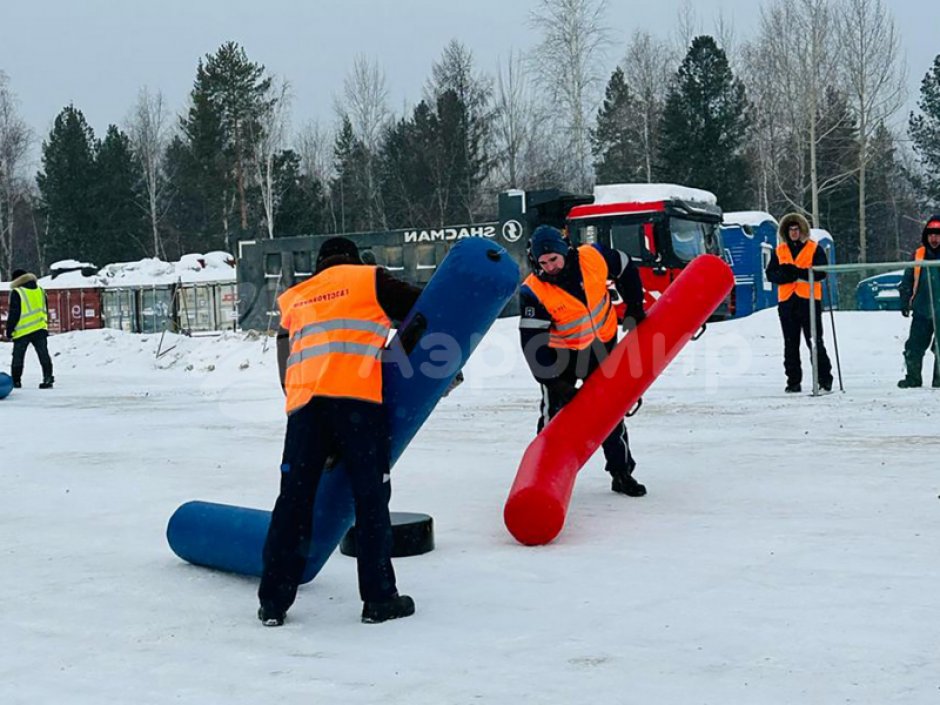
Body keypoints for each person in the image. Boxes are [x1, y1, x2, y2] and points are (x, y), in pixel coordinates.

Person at [258, 236, 421, 627]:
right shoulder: (370, 280)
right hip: (357, 404)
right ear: (352, 258)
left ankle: (273, 604)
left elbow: (286, 357)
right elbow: (422, 308)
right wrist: (397, 357)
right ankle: (379, 599)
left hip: (305, 408)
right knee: (369, 500)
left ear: (319, 265)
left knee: (293, 502)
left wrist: (301, 405)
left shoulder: (296, 296)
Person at [518, 224, 648, 497]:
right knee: (554, 419)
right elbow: (532, 345)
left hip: (600, 347)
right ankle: (542, 480)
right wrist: (555, 383)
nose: (549, 267)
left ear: (564, 250)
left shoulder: (593, 257)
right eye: (542, 263)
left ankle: (621, 473)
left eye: (553, 259)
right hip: (560, 357)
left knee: (609, 413)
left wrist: (635, 305)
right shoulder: (533, 291)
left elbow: (625, 267)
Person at [765, 213, 834, 394]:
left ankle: (824, 380)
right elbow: (771, 274)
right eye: (790, 230)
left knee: (814, 341)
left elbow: (822, 272)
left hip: (809, 301)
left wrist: (798, 272)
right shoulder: (779, 251)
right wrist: (786, 276)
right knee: (790, 343)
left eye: (796, 229)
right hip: (787, 302)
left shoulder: (814, 248)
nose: (794, 233)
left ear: (802, 230)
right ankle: (793, 381)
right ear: (786, 232)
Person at [897, 215, 940, 388]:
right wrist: (904, 300)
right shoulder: (918, 255)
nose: (934, 238)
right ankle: (913, 378)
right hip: (922, 309)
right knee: (914, 347)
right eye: (931, 234)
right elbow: (907, 280)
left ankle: (939, 380)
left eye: (937, 234)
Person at [4, 269, 54, 389]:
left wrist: (9, 330)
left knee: (18, 357)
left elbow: (14, 313)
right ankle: (48, 378)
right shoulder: (40, 290)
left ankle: (16, 381)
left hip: (23, 330)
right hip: (40, 328)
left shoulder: (17, 292)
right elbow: (45, 308)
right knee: (43, 354)